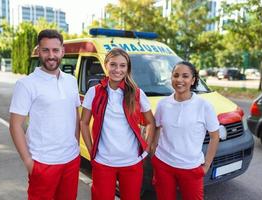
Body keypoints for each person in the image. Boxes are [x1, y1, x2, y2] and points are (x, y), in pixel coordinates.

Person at [9, 29, 81, 200]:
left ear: (62, 51)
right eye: (45, 50)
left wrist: (76, 147)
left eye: (55, 50)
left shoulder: (71, 81)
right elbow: (15, 125)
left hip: (70, 160)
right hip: (43, 162)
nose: (51, 55)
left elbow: (75, 116)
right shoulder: (26, 84)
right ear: (38, 51)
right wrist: (28, 162)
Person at [80, 48, 155, 200]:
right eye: (113, 65)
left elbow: (151, 122)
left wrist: (146, 149)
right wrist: (91, 151)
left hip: (132, 162)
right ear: (106, 65)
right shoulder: (93, 92)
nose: (117, 70)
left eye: (122, 66)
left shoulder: (137, 93)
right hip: (103, 162)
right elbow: (83, 122)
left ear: (127, 68)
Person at [151, 61, 220, 200]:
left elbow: (214, 136)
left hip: (191, 167)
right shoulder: (163, 104)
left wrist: (206, 165)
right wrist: (154, 153)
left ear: (193, 80)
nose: (179, 80)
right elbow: (156, 128)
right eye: (176, 75)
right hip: (163, 164)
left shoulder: (204, 105)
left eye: (185, 76)